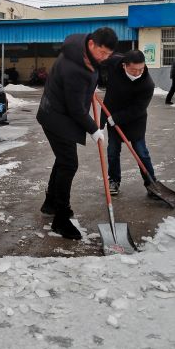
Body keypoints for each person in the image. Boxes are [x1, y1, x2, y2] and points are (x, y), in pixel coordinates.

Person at [36, 27, 118, 239]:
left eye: (108, 55)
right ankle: (61, 219)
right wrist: (94, 129)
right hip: (56, 117)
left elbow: (83, 86)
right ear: (91, 44)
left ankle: (50, 204)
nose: (104, 58)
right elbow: (76, 110)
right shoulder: (75, 69)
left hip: (58, 111)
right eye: (102, 53)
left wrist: (89, 88)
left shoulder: (81, 48)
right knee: (69, 164)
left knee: (63, 160)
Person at [101, 50, 157, 196]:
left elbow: (138, 109)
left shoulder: (147, 84)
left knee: (141, 153)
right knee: (113, 151)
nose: (138, 73)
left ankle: (151, 183)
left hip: (135, 121)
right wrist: (91, 80)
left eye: (141, 69)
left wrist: (116, 118)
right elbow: (98, 63)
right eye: (134, 70)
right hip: (113, 117)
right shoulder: (114, 63)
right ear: (124, 65)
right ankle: (114, 180)